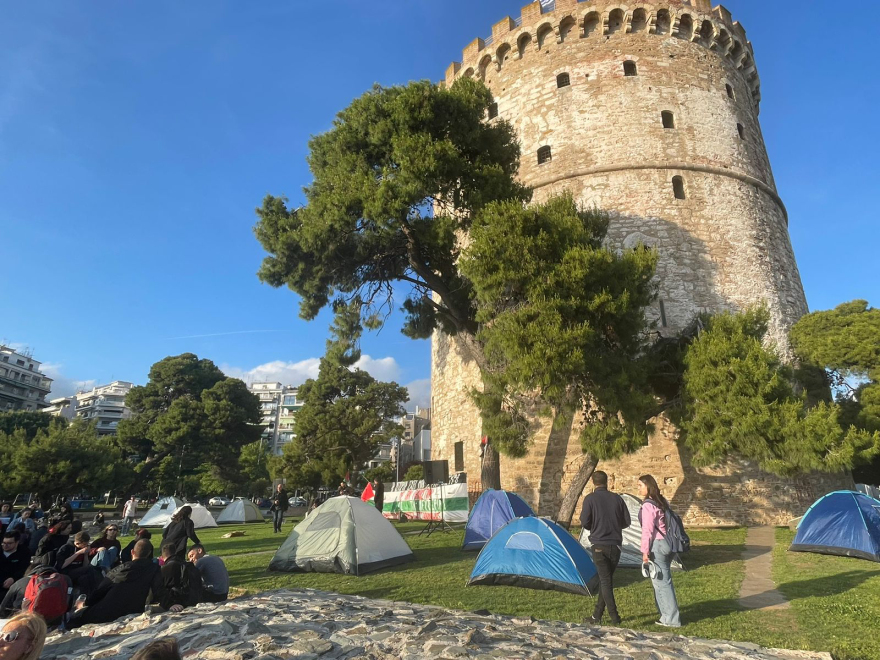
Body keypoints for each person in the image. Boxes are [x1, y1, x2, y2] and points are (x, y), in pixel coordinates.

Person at [68, 539, 166, 628]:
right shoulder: (154, 568)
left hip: (105, 611)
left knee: (75, 619)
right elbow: (158, 590)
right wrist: (171, 604)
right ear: (149, 553)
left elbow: (100, 591)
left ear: (132, 552)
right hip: (133, 610)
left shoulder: (121, 568)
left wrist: (85, 603)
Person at [579, 470, 631, 626]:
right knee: (605, 581)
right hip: (615, 545)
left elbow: (584, 521)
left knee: (606, 582)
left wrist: (594, 527)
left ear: (593, 482)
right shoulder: (617, 499)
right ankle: (596, 616)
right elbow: (626, 521)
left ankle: (615, 618)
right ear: (608, 481)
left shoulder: (590, 499)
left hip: (599, 544)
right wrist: (615, 526)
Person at [638, 474, 681, 628]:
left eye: (641, 485)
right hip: (668, 543)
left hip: (658, 545)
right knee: (663, 580)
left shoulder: (648, 506)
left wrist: (645, 552)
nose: (639, 488)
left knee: (661, 583)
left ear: (648, 486)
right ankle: (665, 615)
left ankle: (671, 618)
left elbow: (647, 531)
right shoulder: (662, 501)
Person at [159, 543, 200, 611]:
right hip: (193, 599)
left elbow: (158, 589)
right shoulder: (188, 565)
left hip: (178, 602)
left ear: (162, 557)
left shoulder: (166, 568)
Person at [0, 533, 31, 602]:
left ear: (16, 543)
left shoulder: (24, 552)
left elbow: (24, 569)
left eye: (9, 543)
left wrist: (13, 578)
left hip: (13, 584)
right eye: (4, 543)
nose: (5, 546)